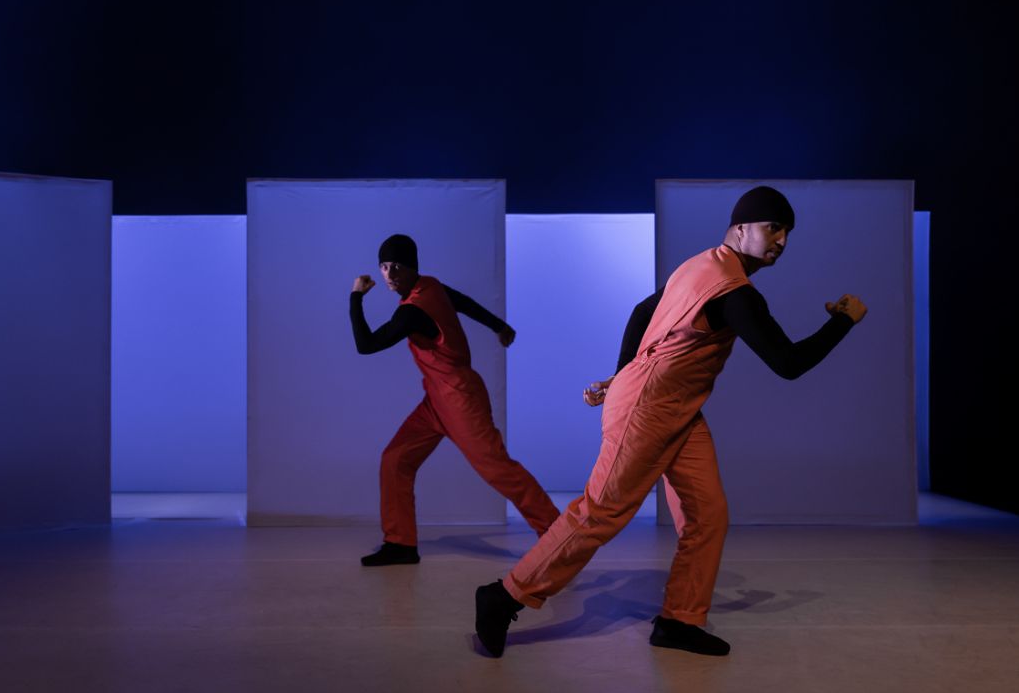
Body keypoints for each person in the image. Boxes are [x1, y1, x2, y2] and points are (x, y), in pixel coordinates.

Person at [474, 186, 867, 657]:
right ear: (741, 228)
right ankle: (504, 596)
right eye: (773, 228)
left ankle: (680, 620)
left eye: (787, 232)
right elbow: (788, 363)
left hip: (678, 409)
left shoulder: (701, 264)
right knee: (600, 512)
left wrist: (621, 375)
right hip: (649, 409)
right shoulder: (736, 293)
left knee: (707, 514)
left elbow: (643, 311)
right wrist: (843, 321)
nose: (781, 240)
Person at [350, 234, 560, 566]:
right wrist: (498, 325)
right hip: (436, 399)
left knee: (497, 468)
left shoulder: (410, 312)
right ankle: (400, 544)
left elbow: (366, 345)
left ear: (412, 267)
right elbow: (461, 300)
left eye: (397, 267)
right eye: (384, 267)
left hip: (460, 399)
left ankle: (558, 536)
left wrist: (355, 297)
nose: (390, 274)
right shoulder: (430, 286)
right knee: (395, 459)